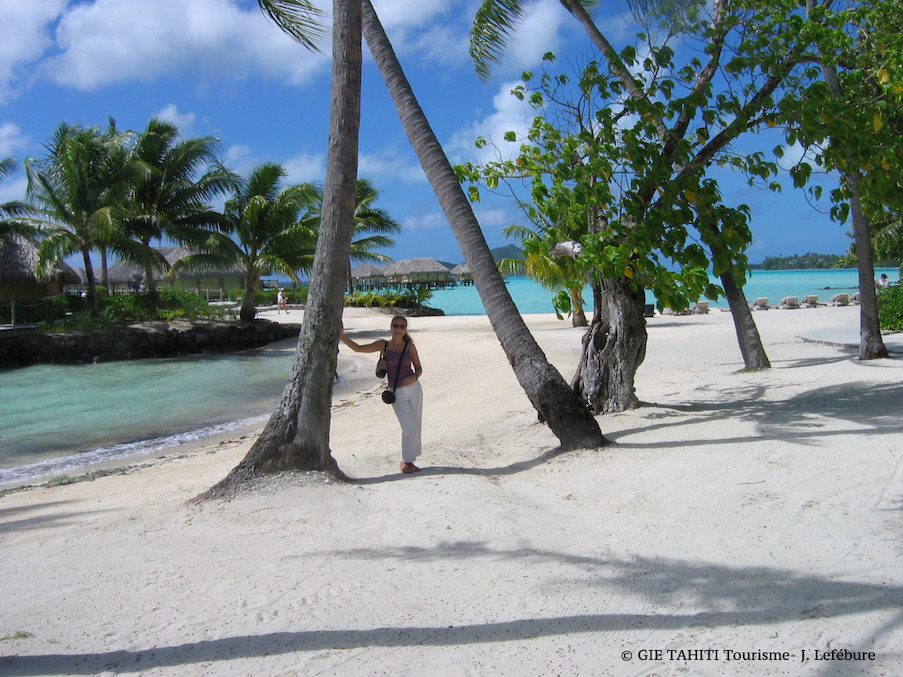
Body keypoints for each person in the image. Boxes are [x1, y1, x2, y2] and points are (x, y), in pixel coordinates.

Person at [340, 316, 424, 474]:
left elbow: (419, 368)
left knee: (415, 425)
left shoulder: (410, 347)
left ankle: (411, 460)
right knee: (409, 427)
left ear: (405, 329)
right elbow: (358, 348)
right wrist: (342, 335)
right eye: (396, 325)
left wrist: (414, 377)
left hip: (414, 389)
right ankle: (405, 462)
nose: (398, 329)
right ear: (391, 327)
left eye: (402, 326)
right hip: (396, 392)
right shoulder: (383, 345)